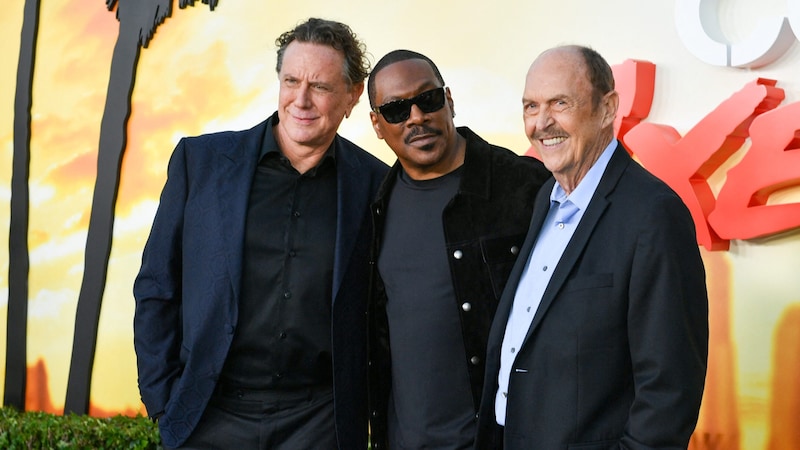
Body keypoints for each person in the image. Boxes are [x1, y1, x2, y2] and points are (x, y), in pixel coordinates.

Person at [133, 18, 388, 449]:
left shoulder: (377, 186)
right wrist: (163, 401)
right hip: (208, 415)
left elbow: (383, 312)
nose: (301, 100)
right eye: (291, 81)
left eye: (321, 87)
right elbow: (157, 284)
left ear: (352, 95)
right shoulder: (201, 163)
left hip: (319, 424)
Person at [475, 45, 709, 449]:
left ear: (607, 108)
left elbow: (669, 390)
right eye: (531, 106)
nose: (542, 123)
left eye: (560, 103)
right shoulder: (545, 198)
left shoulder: (653, 214)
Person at [366, 49, 551, 449]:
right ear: (377, 125)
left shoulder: (526, 187)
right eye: (397, 110)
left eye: (428, 99)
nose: (417, 117)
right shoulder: (373, 209)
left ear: (448, 99)